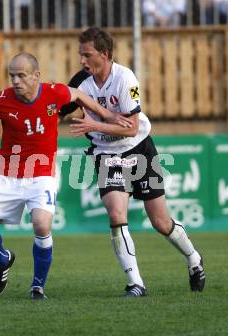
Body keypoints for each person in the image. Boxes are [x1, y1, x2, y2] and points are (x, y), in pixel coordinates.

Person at [0, 52, 131, 300]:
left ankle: (37, 286)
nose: (15, 81)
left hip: (41, 173)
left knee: (42, 224)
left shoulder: (55, 93)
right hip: (6, 174)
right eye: (12, 76)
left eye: (21, 75)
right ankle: (3, 259)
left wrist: (108, 116)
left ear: (36, 76)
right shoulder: (2, 100)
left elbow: (80, 95)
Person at [67, 27, 205, 297]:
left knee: (161, 222)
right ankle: (136, 283)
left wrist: (94, 124)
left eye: (87, 55)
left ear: (104, 54)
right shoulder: (81, 82)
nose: (82, 61)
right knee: (116, 214)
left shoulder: (125, 77)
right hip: (107, 155)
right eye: (80, 55)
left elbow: (130, 128)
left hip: (139, 148)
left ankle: (194, 259)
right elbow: (55, 107)